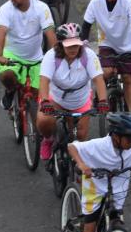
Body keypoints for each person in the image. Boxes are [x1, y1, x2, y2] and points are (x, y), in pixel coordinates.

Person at [37, 22, 108, 159]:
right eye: (69, 46)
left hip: (80, 100)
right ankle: (48, 140)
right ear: (60, 44)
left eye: (76, 45)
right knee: (44, 120)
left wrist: (103, 100)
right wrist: (45, 101)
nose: (73, 49)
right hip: (55, 99)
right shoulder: (51, 56)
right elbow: (44, 81)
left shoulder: (88, 55)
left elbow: (98, 80)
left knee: (80, 137)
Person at [0, 0, 56, 111]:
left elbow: (50, 34)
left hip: (36, 58)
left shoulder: (41, 8)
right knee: (8, 76)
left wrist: (54, 56)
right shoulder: (5, 9)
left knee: (38, 96)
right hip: (12, 56)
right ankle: (10, 92)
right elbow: (0, 34)